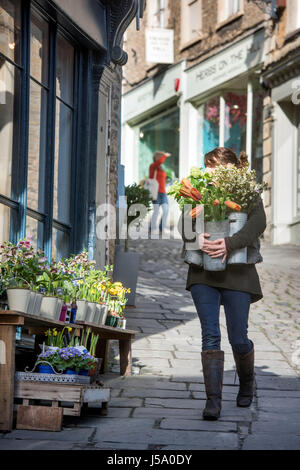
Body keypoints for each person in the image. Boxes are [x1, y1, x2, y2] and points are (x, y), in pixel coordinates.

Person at [179, 147, 266, 421]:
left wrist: (229, 243)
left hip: (238, 273)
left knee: (238, 338)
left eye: (214, 166)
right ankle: (213, 402)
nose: (209, 171)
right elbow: (184, 224)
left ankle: (247, 383)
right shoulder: (197, 191)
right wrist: (196, 239)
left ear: (230, 169)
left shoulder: (246, 192)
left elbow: (258, 222)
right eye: (207, 165)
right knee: (210, 334)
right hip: (203, 273)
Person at [149, 151, 172, 236]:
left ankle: (162, 227)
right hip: (156, 192)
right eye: (161, 157)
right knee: (156, 211)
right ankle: (152, 228)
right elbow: (159, 162)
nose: (163, 159)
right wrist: (165, 155)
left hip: (163, 192)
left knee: (166, 210)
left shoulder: (160, 168)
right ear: (158, 158)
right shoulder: (153, 166)